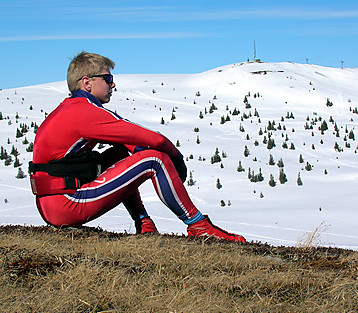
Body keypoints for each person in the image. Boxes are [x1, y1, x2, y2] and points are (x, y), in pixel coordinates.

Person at [29, 51, 245, 242]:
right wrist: (175, 158)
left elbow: (128, 140)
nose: (112, 84)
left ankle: (144, 224)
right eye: (108, 78)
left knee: (121, 154)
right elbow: (155, 140)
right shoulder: (84, 112)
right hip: (68, 205)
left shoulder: (73, 108)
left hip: (54, 205)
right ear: (87, 83)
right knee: (155, 160)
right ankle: (199, 226)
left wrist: (138, 151)